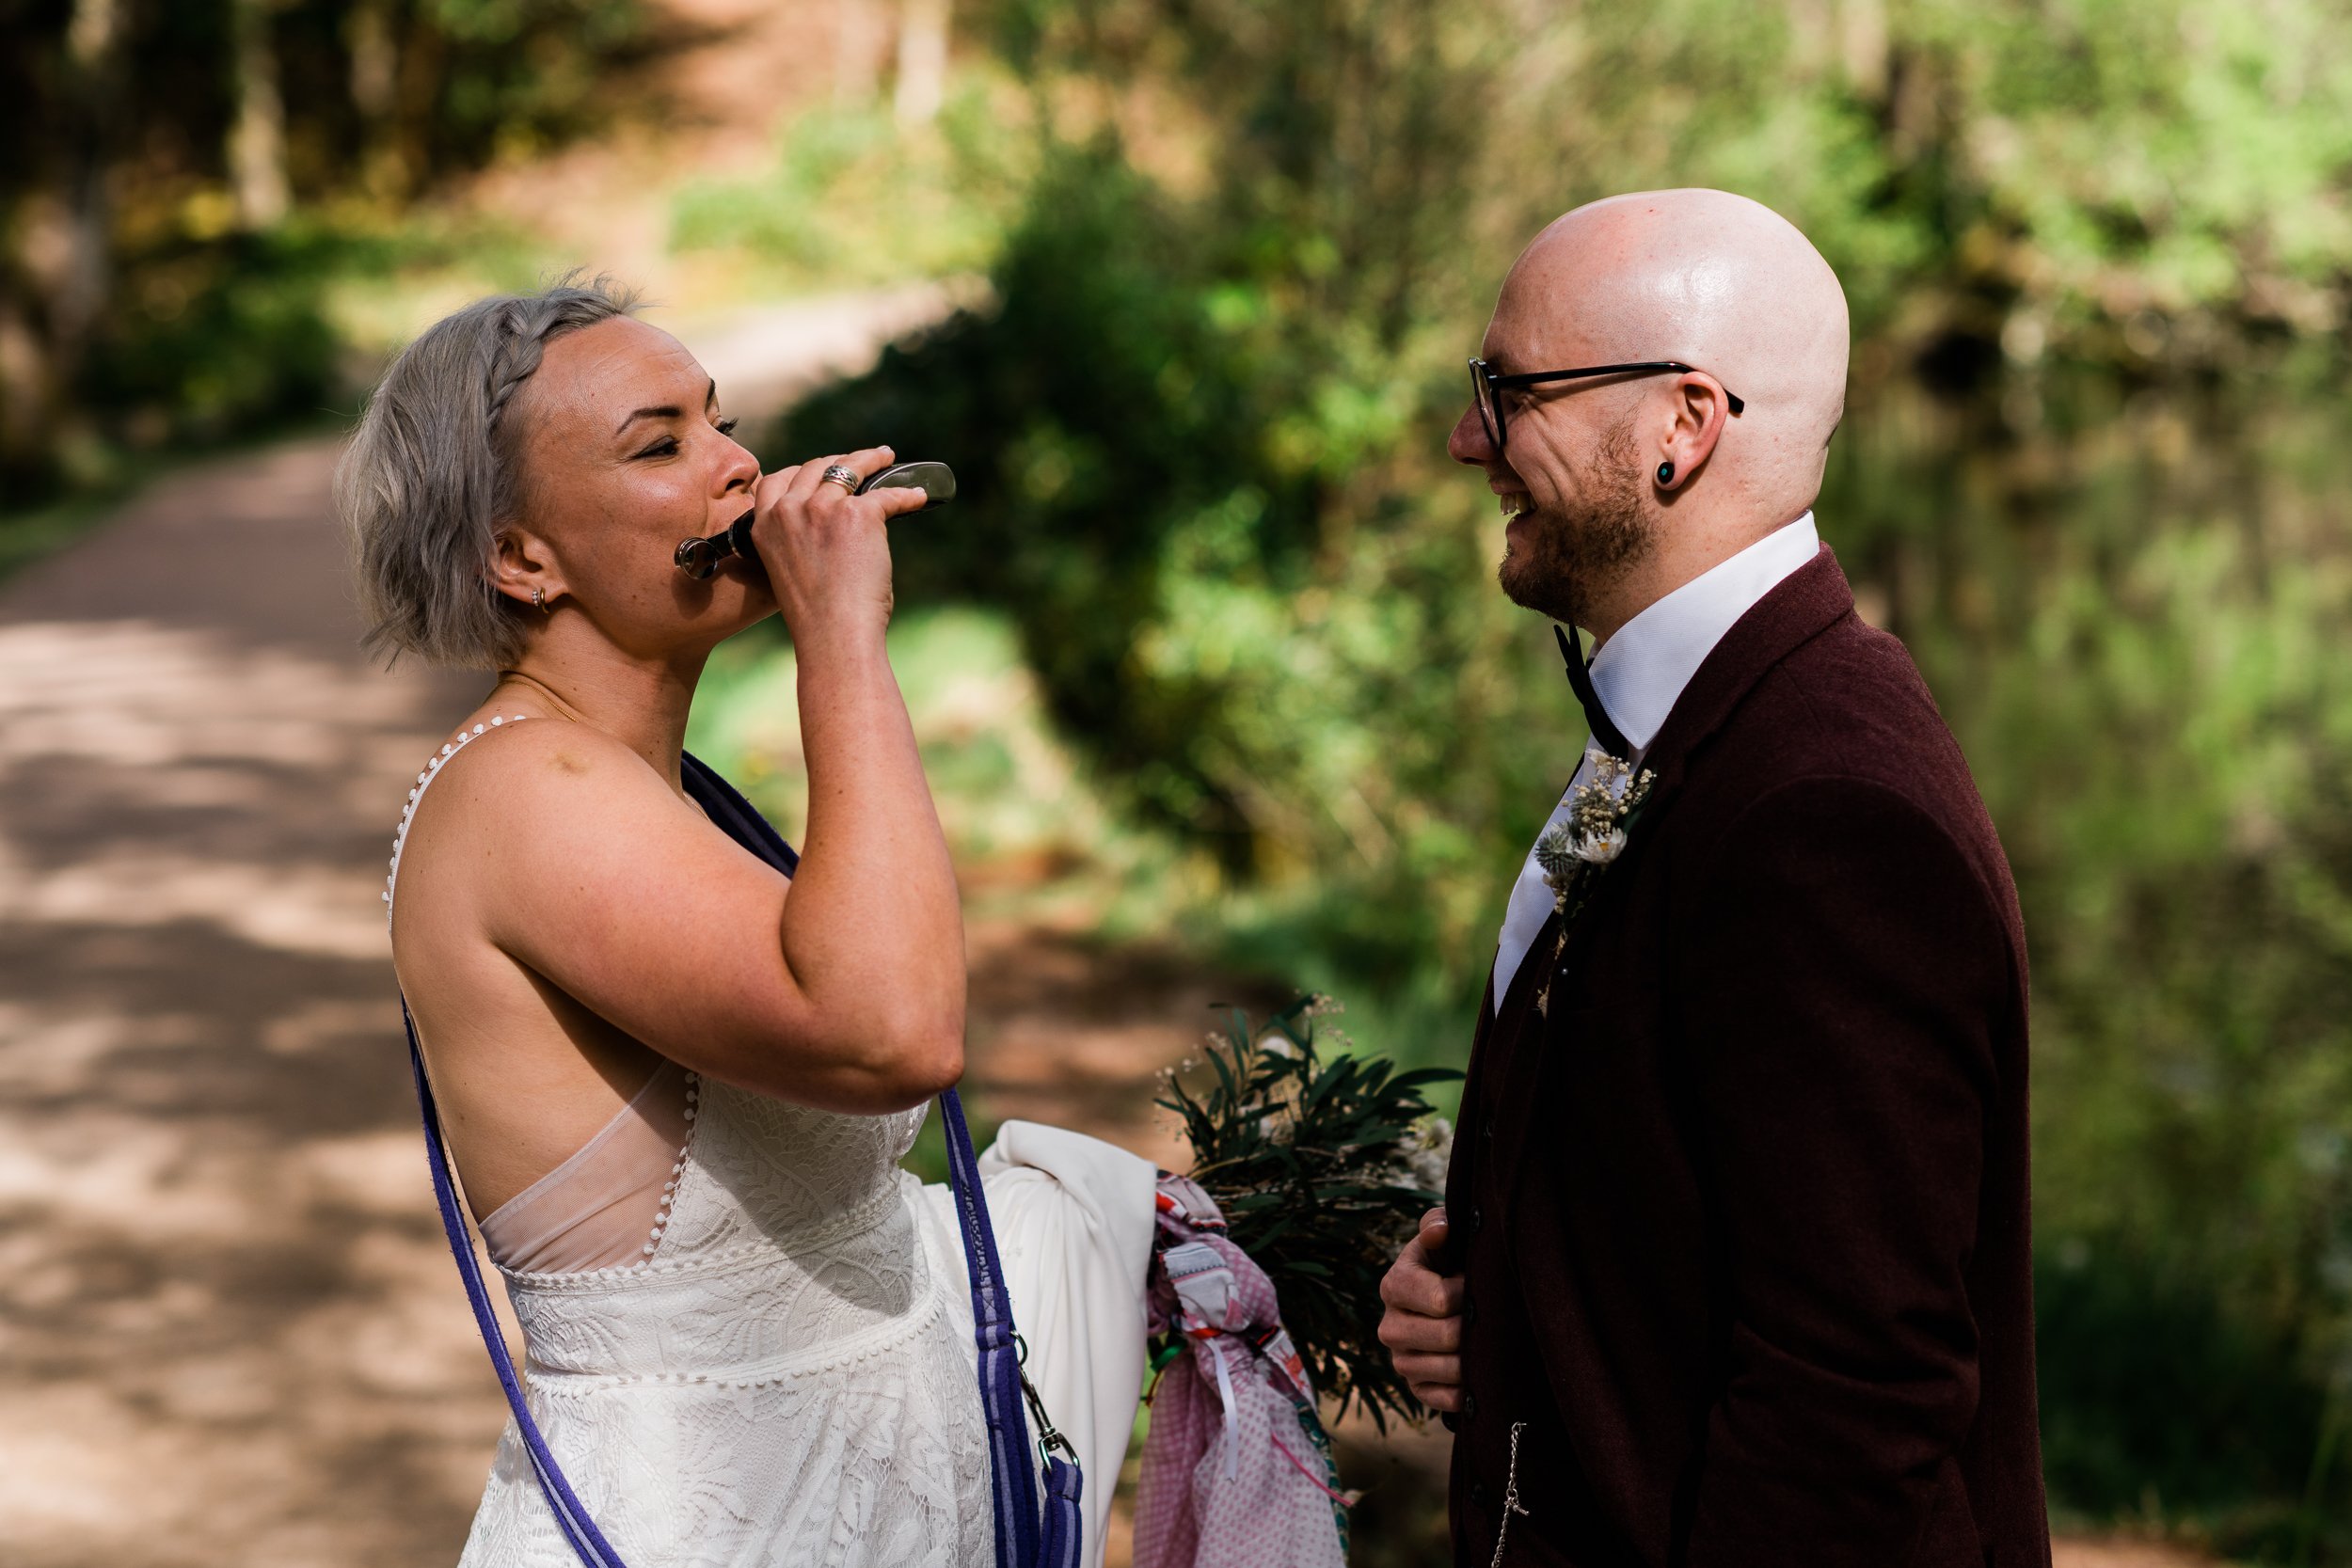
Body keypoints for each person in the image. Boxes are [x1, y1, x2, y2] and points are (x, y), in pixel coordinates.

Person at [344, 278, 1155, 1566]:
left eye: (720, 422)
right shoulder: (527, 793)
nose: (738, 470)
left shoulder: (665, 794)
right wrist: (844, 635)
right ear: (519, 558)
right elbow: (889, 1031)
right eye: (659, 445)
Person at [1376, 190, 2053, 1567]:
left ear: (1683, 427)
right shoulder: (1702, 716)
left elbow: (1852, 1409)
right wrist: (1499, 1303)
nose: (1468, 441)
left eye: (1509, 391)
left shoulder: (1828, 816)